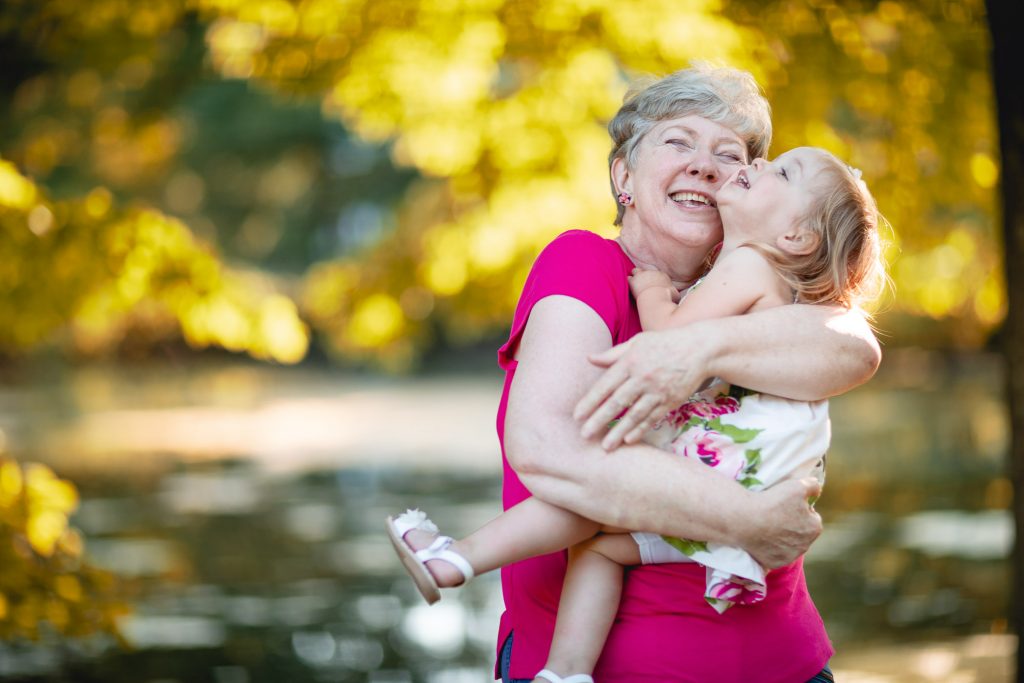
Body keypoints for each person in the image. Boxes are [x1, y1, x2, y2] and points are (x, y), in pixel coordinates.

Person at [393, 64, 881, 682]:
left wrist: (699, 350)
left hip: (783, 665)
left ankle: (458, 560)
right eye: (679, 142)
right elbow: (549, 451)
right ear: (624, 176)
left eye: (728, 154)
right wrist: (747, 520)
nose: (705, 164)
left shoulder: (769, 287)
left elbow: (857, 348)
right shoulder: (586, 262)